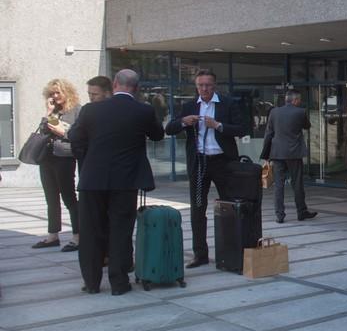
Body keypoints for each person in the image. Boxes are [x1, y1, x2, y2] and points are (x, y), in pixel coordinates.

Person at [68, 69, 164, 294]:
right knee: (120, 231)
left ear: (114, 84)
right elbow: (158, 135)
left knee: (91, 231)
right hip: (125, 181)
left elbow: (74, 137)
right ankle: (119, 284)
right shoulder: (143, 110)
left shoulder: (91, 110)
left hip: (93, 180)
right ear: (136, 88)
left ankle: (91, 283)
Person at [165, 69, 245, 268]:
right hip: (200, 163)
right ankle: (200, 254)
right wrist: (184, 121)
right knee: (198, 209)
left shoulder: (227, 104)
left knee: (229, 207)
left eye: (208, 85)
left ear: (214, 85)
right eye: (200, 85)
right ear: (196, 86)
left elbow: (242, 128)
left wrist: (218, 125)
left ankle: (231, 252)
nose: (204, 89)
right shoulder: (189, 105)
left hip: (223, 163)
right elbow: (169, 128)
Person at [32, 78, 82, 251]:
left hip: (64, 157)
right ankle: (52, 236)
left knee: (68, 197)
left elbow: (75, 134)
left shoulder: (76, 110)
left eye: (58, 92)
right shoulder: (53, 111)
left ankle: (77, 236)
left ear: (66, 92)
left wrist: (60, 128)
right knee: (51, 198)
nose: (55, 95)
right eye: (52, 93)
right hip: (47, 157)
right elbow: (44, 129)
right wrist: (49, 112)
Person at [260, 90, 316, 224]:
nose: (300, 102)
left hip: (277, 153)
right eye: (299, 100)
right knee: (297, 183)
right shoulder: (300, 112)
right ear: (295, 100)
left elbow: (269, 133)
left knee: (278, 185)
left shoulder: (274, 112)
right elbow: (307, 126)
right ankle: (301, 212)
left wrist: (266, 154)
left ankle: (279, 215)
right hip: (294, 153)